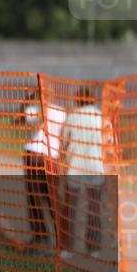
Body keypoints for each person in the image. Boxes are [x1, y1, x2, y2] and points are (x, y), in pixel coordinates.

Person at [59, 87, 106, 260]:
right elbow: (107, 143)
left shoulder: (72, 116)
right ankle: (94, 248)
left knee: (70, 208)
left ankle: (67, 249)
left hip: (75, 167)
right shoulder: (100, 116)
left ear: (77, 99)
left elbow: (63, 143)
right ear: (93, 99)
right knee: (94, 208)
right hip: (95, 167)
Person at [22, 89, 66, 248]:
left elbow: (18, 119)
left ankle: (41, 235)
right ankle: (62, 236)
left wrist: (26, 102)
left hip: (34, 156)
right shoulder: (61, 113)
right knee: (53, 197)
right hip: (52, 158)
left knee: (35, 196)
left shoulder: (33, 110)